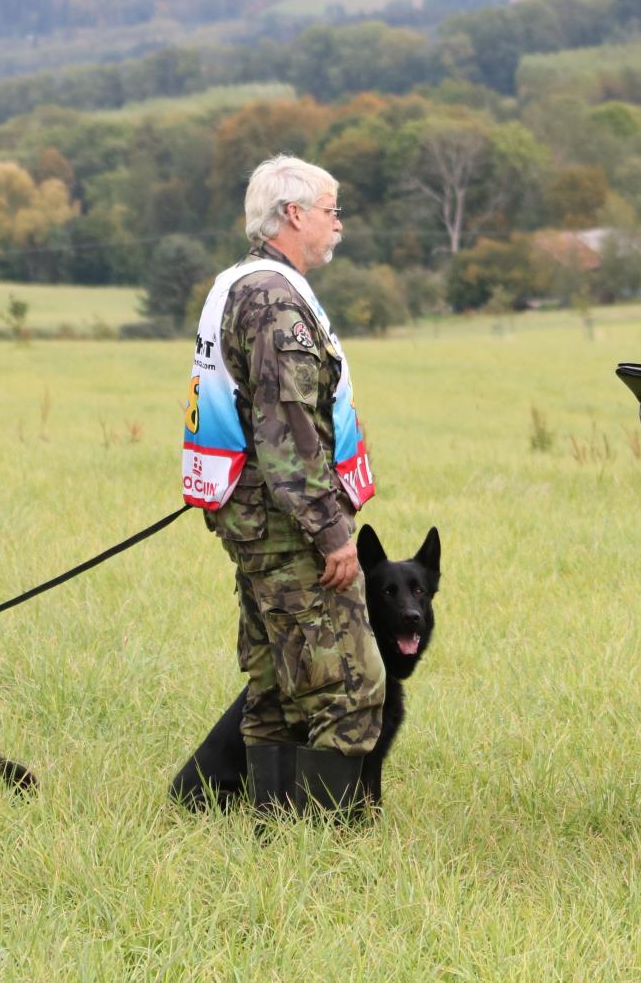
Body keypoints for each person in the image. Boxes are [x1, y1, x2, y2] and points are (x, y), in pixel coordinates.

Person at [180, 154, 383, 819]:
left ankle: (271, 830)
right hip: (286, 524)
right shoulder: (275, 301)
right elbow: (287, 428)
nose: (338, 224)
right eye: (330, 211)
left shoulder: (239, 283)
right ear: (293, 215)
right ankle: (330, 844)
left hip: (252, 519)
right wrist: (333, 532)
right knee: (347, 687)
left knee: (273, 684)